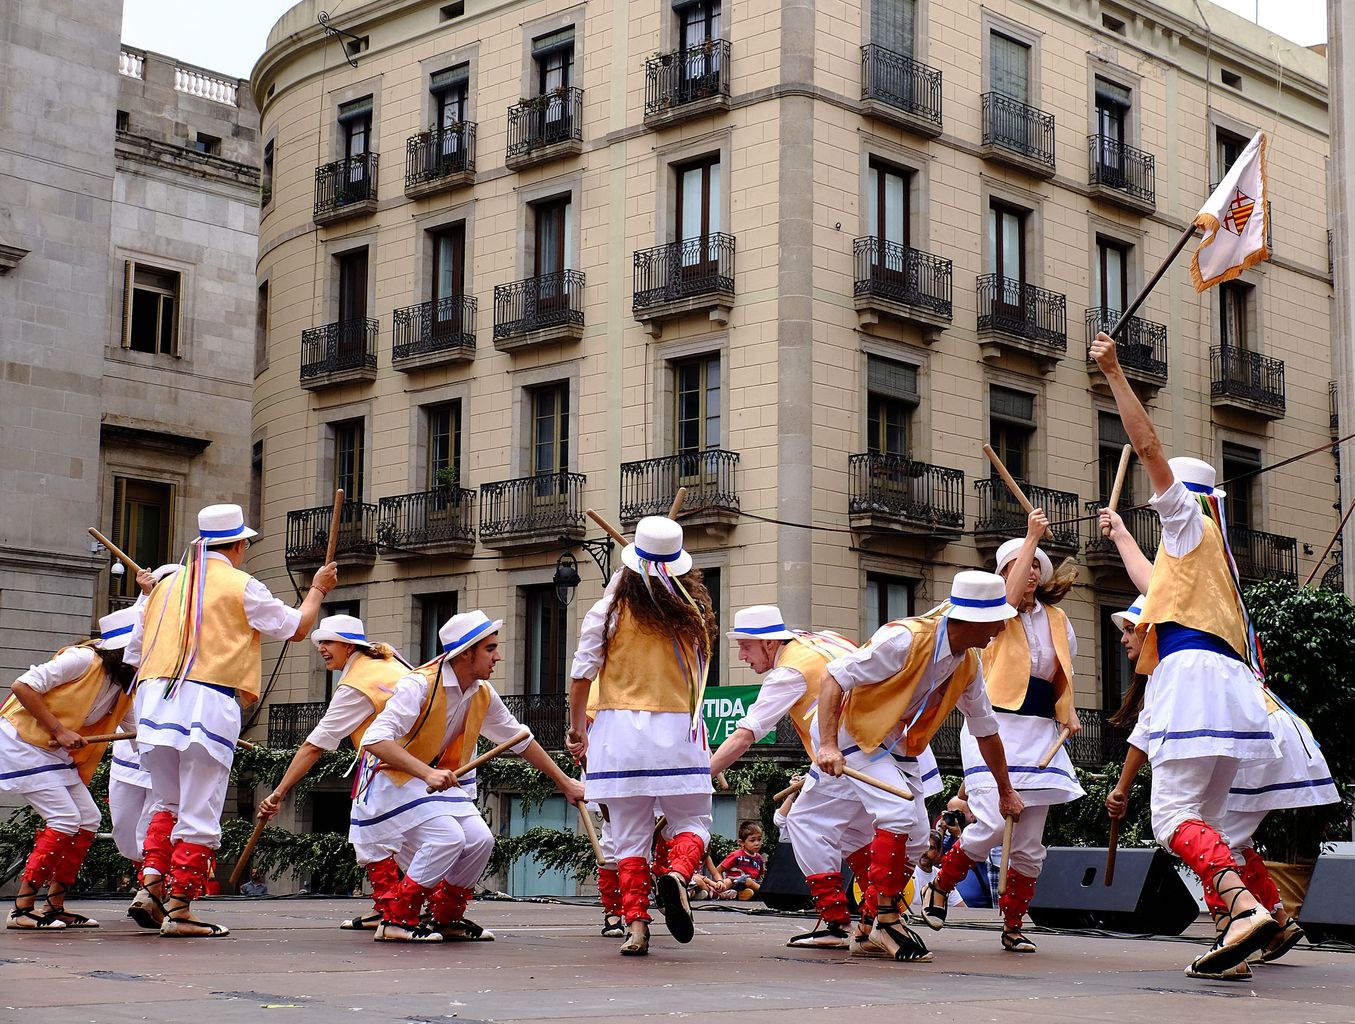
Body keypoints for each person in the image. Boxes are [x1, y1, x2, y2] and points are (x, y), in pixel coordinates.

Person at [1091, 331, 1281, 975]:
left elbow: (1146, 446)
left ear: (1184, 500)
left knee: (1171, 816)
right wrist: (1118, 536)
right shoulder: (1210, 558)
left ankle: (1249, 911)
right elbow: (1155, 589)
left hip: (1192, 678)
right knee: (1212, 823)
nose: (1152, 502)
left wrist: (1116, 372)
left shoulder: (1184, 521)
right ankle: (1238, 934)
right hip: (1231, 686)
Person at [127, 502, 337, 937]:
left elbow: (135, 650)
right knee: (201, 808)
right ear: (239, 545)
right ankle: (181, 908)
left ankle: (150, 888)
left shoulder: (164, 587)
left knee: (168, 801)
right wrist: (317, 590)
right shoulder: (241, 584)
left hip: (152, 704)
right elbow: (297, 627)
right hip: (206, 702)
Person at [1103, 588, 1335, 972]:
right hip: (1267, 738)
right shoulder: (1205, 659)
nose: (1125, 638)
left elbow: (1143, 733)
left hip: (1261, 745)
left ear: (1153, 629)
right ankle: (1270, 922)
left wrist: (1122, 788)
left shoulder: (1177, 670)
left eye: (1131, 629)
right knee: (1226, 835)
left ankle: (1240, 919)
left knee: (1189, 825)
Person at [813, 570, 1025, 963]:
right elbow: (832, 677)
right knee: (894, 813)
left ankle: (866, 928)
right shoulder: (904, 639)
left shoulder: (969, 664)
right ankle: (887, 919)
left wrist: (1005, 790)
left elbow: (986, 730)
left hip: (899, 742)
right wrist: (826, 745)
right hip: (853, 732)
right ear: (973, 619)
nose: (1001, 628)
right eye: (998, 619)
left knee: (915, 838)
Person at [356, 609, 584, 942]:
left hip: (434, 782)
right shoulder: (418, 685)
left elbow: (519, 739)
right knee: (447, 838)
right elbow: (374, 740)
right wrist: (427, 772)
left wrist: (564, 783)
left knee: (480, 840)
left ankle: (446, 917)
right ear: (466, 653)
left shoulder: (481, 692)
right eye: (490, 648)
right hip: (393, 781)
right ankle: (396, 919)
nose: (498, 656)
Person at [922, 510, 1085, 952]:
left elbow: (1061, 674)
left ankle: (1013, 924)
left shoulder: (1059, 619)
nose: (1029, 569)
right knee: (993, 820)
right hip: (992, 725)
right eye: (1019, 563)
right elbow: (1010, 602)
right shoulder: (997, 613)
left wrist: (1065, 712)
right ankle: (941, 884)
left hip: (1039, 729)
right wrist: (1032, 535)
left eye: (1035, 563)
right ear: (1003, 574)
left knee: (1030, 842)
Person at [567, 516, 719, 957]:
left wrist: (578, 730)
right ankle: (677, 872)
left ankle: (636, 927)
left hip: (618, 736)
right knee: (693, 822)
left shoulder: (609, 610)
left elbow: (581, 675)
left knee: (629, 836)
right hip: (679, 732)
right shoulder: (694, 612)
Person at [709, 604, 867, 947]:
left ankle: (835, 922)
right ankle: (881, 918)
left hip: (844, 755)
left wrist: (701, 775)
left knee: (802, 824)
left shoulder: (789, 671)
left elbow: (745, 734)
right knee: (857, 835)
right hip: (882, 746)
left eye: (745, 646)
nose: (741, 656)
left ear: (768, 643)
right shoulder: (821, 639)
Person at [254, 613, 411, 931]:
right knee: (409, 840)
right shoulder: (391, 661)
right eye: (320, 642)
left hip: (385, 765)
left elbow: (315, 745)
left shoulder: (356, 685)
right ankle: (412, 909)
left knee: (371, 837)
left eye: (328, 642)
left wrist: (279, 791)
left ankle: (391, 909)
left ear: (349, 646)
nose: (321, 648)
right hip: (420, 762)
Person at [1, 607, 140, 929]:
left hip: (52, 755)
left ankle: (53, 906)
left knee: (88, 819)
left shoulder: (123, 687)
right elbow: (22, 686)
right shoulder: (81, 660)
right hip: (22, 744)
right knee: (65, 819)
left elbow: (138, 733)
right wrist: (59, 730)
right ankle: (22, 909)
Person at [109, 564, 181, 913]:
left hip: (164, 742)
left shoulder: (185, 628)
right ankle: (152, 885)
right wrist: (148, 593)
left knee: (153, 822)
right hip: (127, 748)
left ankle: (153, 891)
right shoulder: (140, 620)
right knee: (124, 831)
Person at [713, 821, 767, 899]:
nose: (757, 843)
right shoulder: (736, 855)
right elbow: (717, 870)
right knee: (730, 881)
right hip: (735, 882)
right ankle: (764, 894)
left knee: (754, 883)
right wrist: (720, 882)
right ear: (741, 842)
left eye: (759, 840)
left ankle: (741, 894)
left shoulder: (759, 858)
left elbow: (760, 876)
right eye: (752, 840)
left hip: (751, 883)